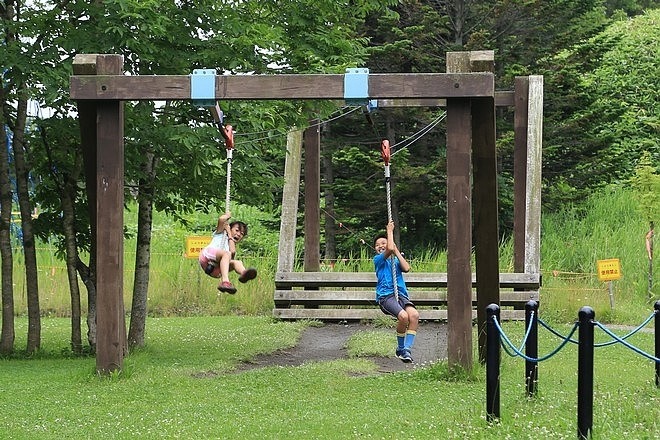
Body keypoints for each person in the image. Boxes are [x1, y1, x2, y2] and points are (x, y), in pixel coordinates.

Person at [373, 220, 419, 363]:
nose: (380, 246)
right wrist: (389, 231)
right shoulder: (378, 260)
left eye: (383, 243)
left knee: (414, 315)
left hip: (401, 295)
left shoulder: (395, 262)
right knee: (404, 317)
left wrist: (397, 251)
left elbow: (406, 268)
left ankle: (407, 349)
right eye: (377, 245)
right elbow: (390, 248)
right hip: (386, 296)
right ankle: (400, 349)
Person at [199, 212, 257, 294]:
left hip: (216, 271)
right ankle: (225, 282)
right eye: (237, 230)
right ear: (229, 228)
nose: (238, 234)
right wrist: (228, 216)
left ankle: (244, 273)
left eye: (242, 234)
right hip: (207, 257)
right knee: (227, 254)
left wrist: (230, 235)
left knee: (237, 262)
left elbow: (232, 252)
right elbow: (221, 219)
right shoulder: (221, 233)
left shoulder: (231, 243)